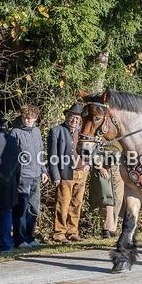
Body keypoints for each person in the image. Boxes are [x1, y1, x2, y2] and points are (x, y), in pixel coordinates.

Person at [48, 104, 89, 243]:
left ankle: (73, 232)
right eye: (72, 117)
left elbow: (88, 150)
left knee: (76, 204)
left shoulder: (83, 131)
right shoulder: (56, 131)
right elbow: (52, 156)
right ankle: (59, 233)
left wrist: (87, 164)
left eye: (77, 118)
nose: (74, 120)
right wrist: (55, 175)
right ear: (66, 116)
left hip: (81, 173)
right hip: (65, 173)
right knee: (62, 204)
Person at [11, 104, 46, 248]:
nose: (27, 121)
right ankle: (20, 239)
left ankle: (30, 237)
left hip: (36, 174)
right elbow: (11, 155)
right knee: (21, 208)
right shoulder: (15, 132)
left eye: (30, 118)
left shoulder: (37, 131)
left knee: (33, 208)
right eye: (25, 118)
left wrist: (43, 170)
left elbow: (41, 152)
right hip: (22, 176)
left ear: (36, 118)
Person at [0, 110, 19, 254]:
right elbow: (18, 164)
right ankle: (6, 245)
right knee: (6, 214)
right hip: (8, 184)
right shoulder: (11, 140)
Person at [89, 148, 124, 239]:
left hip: (118, 168)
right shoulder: (99, 139)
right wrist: (100, 168)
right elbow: (92, 151)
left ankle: (113, 228)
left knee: (118, 199)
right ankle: (106, 227)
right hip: (105, 168)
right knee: (107, 198)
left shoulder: (118, 139)